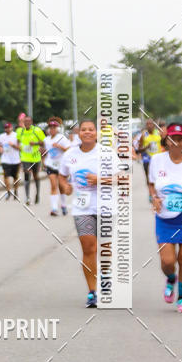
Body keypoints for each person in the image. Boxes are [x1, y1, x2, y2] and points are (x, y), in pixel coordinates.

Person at [147, 122, 182, 313]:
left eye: (180, 139)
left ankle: (181, 298)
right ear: (167, 140)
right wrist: (154, 198)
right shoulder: (157, 161)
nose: (176, 143)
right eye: (172, 138)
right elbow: (152, 184)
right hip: (164, 217)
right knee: (168, 261)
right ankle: (171, 278)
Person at [59, 120, 114, 307]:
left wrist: (101, 179)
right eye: (84, 130)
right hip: (82, 208)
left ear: (97, 133)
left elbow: (123, 178)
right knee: (89, 248)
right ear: (78, 133)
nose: (87, 132)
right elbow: (62, 175)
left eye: (91, 129)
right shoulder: (70, 154)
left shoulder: (106, 153)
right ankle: (92, 292)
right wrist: (65, 186)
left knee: (105, 248)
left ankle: (106, 279)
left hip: (106, 206)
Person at [42, 116, 71, 216]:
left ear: (57, 128)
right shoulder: (46, 140)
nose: (52, 129)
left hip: (61, 165)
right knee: (53, 185)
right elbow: (47, 152)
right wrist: (42, 155)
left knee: (61, 186)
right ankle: (54, 208)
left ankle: (63, 205)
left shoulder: (62, 138)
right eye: (50, 127)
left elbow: (69, 150)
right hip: (50, 165)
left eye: (54, 127)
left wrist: (59, 147)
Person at [16, 115, 45, 205]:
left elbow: (44, 141)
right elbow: (18, 141)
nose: (27, 123)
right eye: (25, 122)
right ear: (24, 123)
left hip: (36, 158)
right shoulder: (20, 131)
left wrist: (35, 143)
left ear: (31, 122)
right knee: (27, 174)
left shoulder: (37, 130)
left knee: (36, 176)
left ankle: (37, 194)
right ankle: (27, 197)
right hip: (25, 158)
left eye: (29, 122)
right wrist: (19, 147)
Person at [136, 119, 162, 200]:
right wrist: (146, 147)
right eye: (147, 124)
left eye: (151, 124)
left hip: (157, 158)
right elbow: (138, 149)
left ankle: (157, 192)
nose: (149, 126)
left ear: (154, 125)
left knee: (158, 176)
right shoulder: (144, 135)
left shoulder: (158, 133)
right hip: (147, 158)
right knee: (148, 177)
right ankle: (151, 194)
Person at [0, 121, 20, 200]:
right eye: (6, 128)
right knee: (6, 176)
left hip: (15, 160)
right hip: (5, 159)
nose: (7, 129)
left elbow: (20, 148)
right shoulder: (1, 136)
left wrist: (13, 145)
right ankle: (8, 191)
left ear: (11, 128)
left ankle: (16, 191)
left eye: (8, 128)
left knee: (15, 177)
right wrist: (0, 149)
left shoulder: (16, 136)